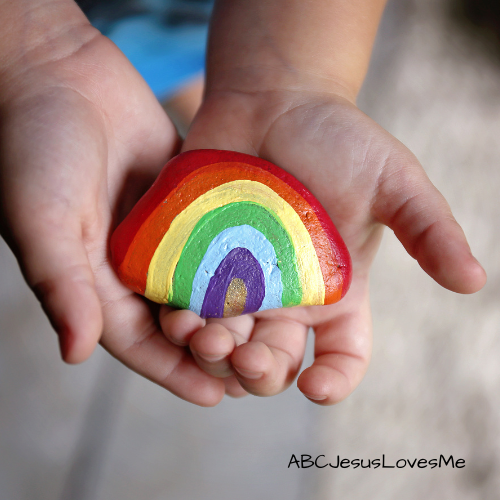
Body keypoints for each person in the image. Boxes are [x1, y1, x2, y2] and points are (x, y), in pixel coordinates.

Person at [0, 0, 486, 407]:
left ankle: (221, 100)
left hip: (244, 25)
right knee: (165, 85)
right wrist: (26, 48)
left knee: (207, 82)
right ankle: (204, 103)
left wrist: (283, 81)